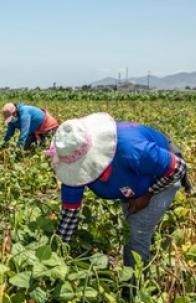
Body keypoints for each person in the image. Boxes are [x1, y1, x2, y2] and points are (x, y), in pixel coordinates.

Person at [46, 113, 187, 270]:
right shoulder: (72, 166)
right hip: (130, 183)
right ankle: (143, 258)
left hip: (161, 177)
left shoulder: (131, 149)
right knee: (132, 225)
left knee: (136, 230)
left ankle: (133, 287)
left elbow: (178, 168)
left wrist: (147, 194)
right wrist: (55, 259)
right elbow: (69, 216)